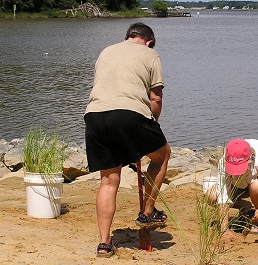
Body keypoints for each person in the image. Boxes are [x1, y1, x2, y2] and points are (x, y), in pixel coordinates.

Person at [84, 22, 171, 258]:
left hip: (94, 116)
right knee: (162, 155)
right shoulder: (151, 54)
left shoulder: (105, 51)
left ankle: (104, 244)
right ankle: (148, 212)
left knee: (109, 182)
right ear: (149, 41)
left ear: (128, 37)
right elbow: (155, 98)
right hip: (129, 113)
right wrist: (152, 125)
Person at [204, 138, 258, 242]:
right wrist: (224, 230)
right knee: (211, 195)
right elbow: (223, 197)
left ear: (250, 157)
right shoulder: (224, 162)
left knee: (256, 186)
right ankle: (244, 206)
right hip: (239, 185)